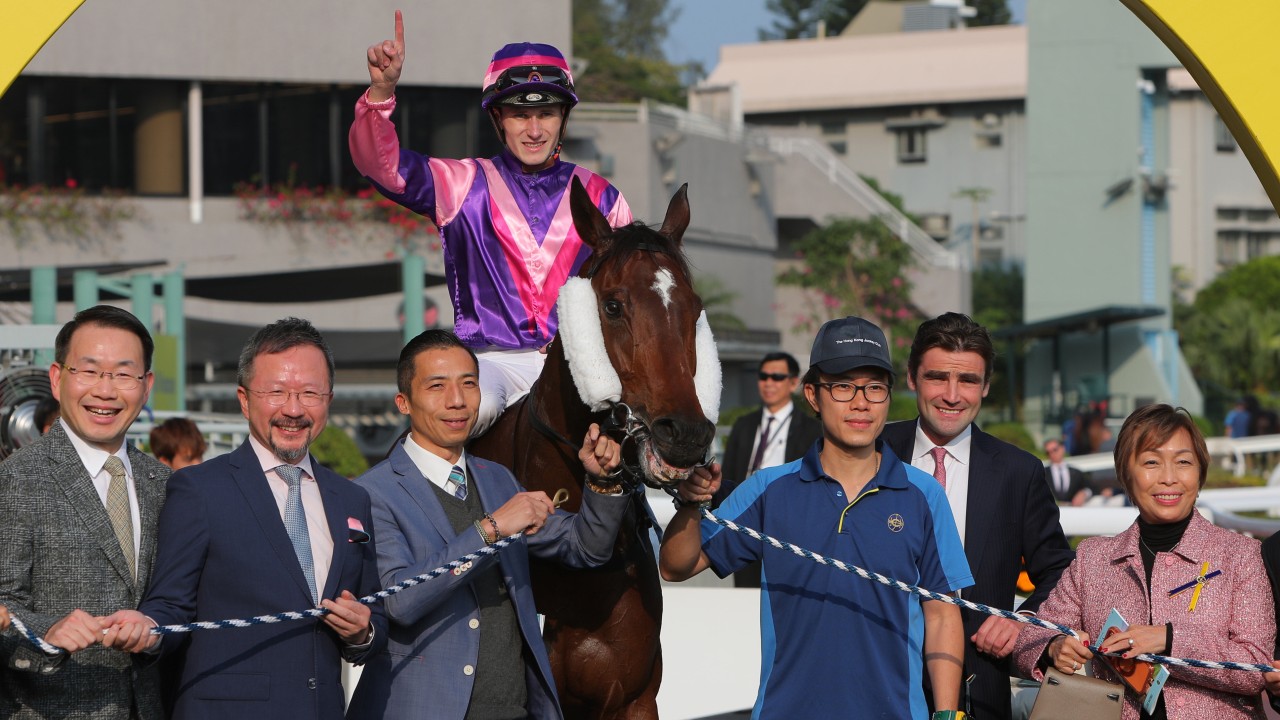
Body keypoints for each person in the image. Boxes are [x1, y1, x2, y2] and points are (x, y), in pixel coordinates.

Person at [660, 316, 973, 719]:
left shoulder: (924, 494)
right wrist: (690, 503)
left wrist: (946, 715)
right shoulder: (768, 490)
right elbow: (676, 566)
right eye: (843, 386)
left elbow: (943, 613)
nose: (861, 402)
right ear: (812, 394)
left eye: (875, 387)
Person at [350, 13, 633, 436]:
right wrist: (382, 91)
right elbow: (381, 167)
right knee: (461, 416)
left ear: (563, 118)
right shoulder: (461, 183)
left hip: (582, 363)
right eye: (519, 115)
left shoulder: (605, 198)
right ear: (498, 119)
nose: (534, 130)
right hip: (492, 364)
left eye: (547, 114)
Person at [102, 318, 386, 720]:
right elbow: (170, 604)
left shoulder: (352, 498)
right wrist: (145, 626)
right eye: (276, 392)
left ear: (329, 399)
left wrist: (363, 632)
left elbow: (375, 612)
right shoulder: (199, 490)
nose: (293, 409)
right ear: (243, 398)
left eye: (309, 393)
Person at [344, 329, 629, 720]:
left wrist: (601, 482)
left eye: (469, 384)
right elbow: (398, 600)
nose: (457, 401)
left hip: (514, 710)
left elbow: (586, 548)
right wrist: (489, 530)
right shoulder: (371, 492)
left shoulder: (497, 478)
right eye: (437, 386)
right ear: (403, 402)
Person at [1013, 404, 1274, 719]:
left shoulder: (1240, 555)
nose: (1168, 478)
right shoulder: (1093, 558)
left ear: (1200, 472)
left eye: (1183, 462)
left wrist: (1168, 639)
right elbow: (1030, 637)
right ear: (1126, 473)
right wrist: (1054, 646)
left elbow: (1256, 666)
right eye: (1151, 462)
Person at [879, 312, 1074, 720]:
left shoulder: (1018, 472)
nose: (952, 395)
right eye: (937, 377)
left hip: (978, 690)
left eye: (967, 380)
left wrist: (1022, 620)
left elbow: (1061, 571)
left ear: (985, 386)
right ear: (912, 378)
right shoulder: (871, 452)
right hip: (872, 681)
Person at [0, 305, 171, 719]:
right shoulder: (16, 480)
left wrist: (156, 634)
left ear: (145, 386)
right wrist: (48, 631)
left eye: (123, 374)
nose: (105, 390)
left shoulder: (165, 483)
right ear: (58, 380)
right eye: (89, 371)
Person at [713, 351, 822, 587]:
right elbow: (729, 474)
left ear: (794, 382)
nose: (769, 383)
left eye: (777, 377)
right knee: (745, 598)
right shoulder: (744, 425)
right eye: (763, 376)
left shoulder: (812, 429)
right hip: (746, 523)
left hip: (789, 528)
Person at [1044, 437, 1089, 506]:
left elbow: (1091, 487)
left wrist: (1083, 493)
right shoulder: (1042, 473)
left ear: (1063, 448)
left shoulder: (1076, 472)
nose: (1052, 454)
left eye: (1055, 450)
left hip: (1073, 512)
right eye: (1048, 452)